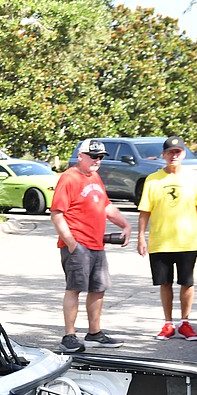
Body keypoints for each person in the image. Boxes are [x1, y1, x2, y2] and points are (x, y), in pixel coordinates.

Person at [50, 139, 131, 353]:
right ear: (81, 156)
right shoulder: (69, 178)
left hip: (96, 244)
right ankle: (69, 336)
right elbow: (57, 214)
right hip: (78, 244)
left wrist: (124, 224)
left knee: (98, 289)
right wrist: (71, 243)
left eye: (101, 157)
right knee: (75, 288)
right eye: (94, 156)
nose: (98, 160)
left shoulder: (94, 177)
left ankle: (94, 333)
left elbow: (105, 205)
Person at [136, 135, 197, 341]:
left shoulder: (194, 177)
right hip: (161, 241)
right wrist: (141, 237)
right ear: (163, 155)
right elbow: (145, 211)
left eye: (177, 152)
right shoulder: (153, 179)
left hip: (187, 239)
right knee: (164, 283)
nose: (173, 156)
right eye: (170, 152)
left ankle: (185, 322)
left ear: (183, 154)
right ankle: (168, 323)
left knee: (186, 282)